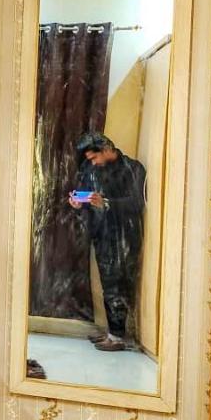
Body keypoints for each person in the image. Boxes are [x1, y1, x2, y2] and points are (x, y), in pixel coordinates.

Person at [67, 132, 146, 352]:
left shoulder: (132, 168)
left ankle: (118, 336)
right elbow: (88, 197)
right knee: (108, 283)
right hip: (101, 233)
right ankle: (113, 332)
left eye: (95, 157)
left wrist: (107, 203)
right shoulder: (91, 169)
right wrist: (79, 203)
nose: (92, 162)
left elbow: (137, 202)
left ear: (107, 148)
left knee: (119, 284)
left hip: (124, 234)